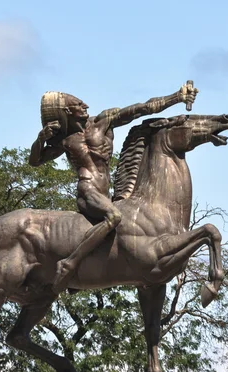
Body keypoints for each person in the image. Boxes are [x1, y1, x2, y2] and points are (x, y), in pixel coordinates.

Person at [29, 83, 198, 294]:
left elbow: (142, 108)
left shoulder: (103, 121)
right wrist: (40, 139)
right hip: (88, 189)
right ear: (66, 111)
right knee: (114, 217)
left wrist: (176, 97)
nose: (85, 105)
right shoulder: (64, 139)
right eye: (78, 103)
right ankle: (70, 264)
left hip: (105, 193)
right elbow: (35, 160)